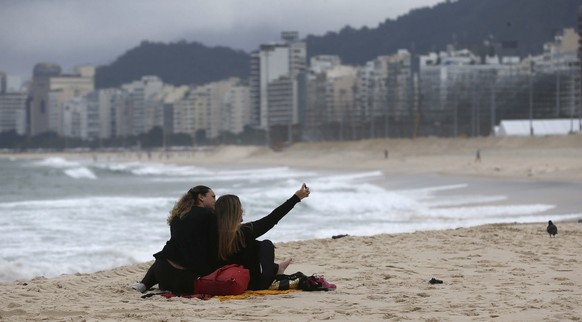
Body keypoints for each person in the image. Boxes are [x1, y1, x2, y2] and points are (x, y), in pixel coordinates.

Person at [215, 183, 310, 290]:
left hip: (226, 279)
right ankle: (277, 272)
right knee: (266, 244)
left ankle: (278, 268)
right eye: (240, 207)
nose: (242, 210)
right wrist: (296, 197)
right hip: (253, 284)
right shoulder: (245, 232)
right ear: (236, 211)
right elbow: (273, 218)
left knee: (258, 244)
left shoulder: (214, 233)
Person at [131, 185, 217, 294]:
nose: (215, 200)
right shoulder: (209, 215)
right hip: (185, 279)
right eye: (213, 197)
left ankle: (144, 284)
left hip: (162, 273)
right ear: (201, 197)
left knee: (167, 253)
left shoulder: (179, 215)